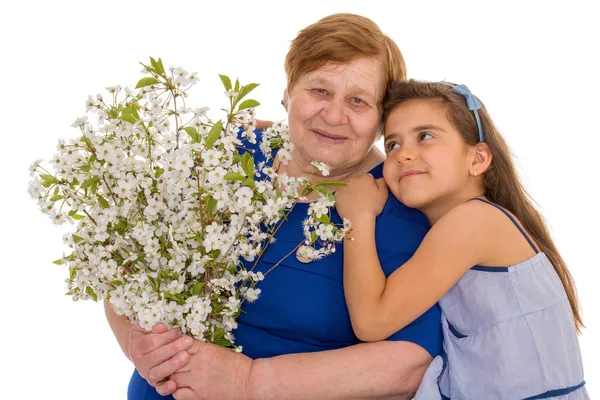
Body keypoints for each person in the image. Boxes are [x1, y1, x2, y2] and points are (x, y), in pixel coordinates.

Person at [105, 14, 443, 399]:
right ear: (287, 92)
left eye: (358, 101)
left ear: (382, 119)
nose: (334, 116)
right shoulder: (228, 153)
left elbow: (411, 363)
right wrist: (136, 341)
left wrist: (248, 382)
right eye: (319, 90)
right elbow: (124, 261)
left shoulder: (394, 202)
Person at [334, 79, 588, 399]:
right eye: (393, 145)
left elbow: (371, 321)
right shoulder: (470, 223)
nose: (402, 155)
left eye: (425, 136)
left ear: (478, 159)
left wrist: (356, 216)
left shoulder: (474, 222)